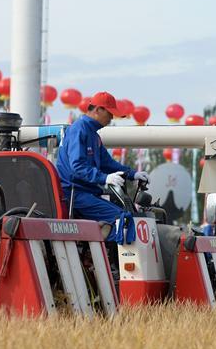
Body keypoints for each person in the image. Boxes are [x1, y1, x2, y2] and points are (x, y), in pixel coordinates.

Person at [55, 91, 149, 243]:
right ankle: (111, 261)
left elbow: (108, 164)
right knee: (122, 220)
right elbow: (77, 167)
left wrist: (133, 174)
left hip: (84, 194)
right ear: (98, 110)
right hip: (74, 194)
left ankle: (100, 252)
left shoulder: (93, 135)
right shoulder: (79, 130)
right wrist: (105, 178)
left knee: (123, 216)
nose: (111, 118)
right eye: (110, 113)